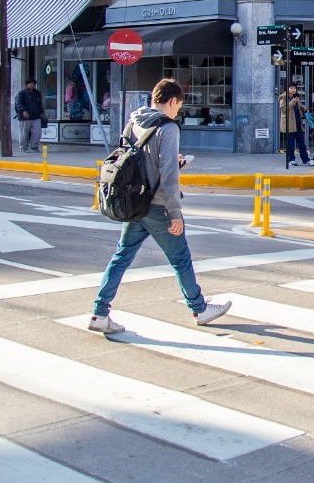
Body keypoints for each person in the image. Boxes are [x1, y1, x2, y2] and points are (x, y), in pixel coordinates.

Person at [88, 78, 230, 334]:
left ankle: (100, 313)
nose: (178, 112)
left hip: (135, 203)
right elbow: (168, 174)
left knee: (121, 257)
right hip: (157, 204)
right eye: (178, 107)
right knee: (180, 258)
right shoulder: (168, 128)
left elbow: (137, 159)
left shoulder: (134, 121)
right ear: (172, 101)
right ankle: (199, 308)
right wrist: (175, 213)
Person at [280, 82, 308, 168]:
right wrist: (293, 101)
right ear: (287, 89)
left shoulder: (294, 97)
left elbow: (299, 106)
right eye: (291, 88)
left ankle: (305, 159)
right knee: (290, 143)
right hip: (289, 124)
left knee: (301, 143)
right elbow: (284, 109)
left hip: (298, 123)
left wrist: (305, 109)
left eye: (294, 88)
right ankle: (291, 159)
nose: (293, 90)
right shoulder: (283, 97)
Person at [14, 78, 44, 152]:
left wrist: (41, 112)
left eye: (33, 83)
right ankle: (23, 147)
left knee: (37, 131)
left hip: (36, 115)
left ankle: (34, 146)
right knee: (24, 132)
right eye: (30, 83)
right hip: (25, 116)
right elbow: (19, 103)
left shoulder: (37, 93)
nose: (32, 85)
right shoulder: (22, 93)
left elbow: (39, 103)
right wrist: (23, 111)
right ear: (27, 84)